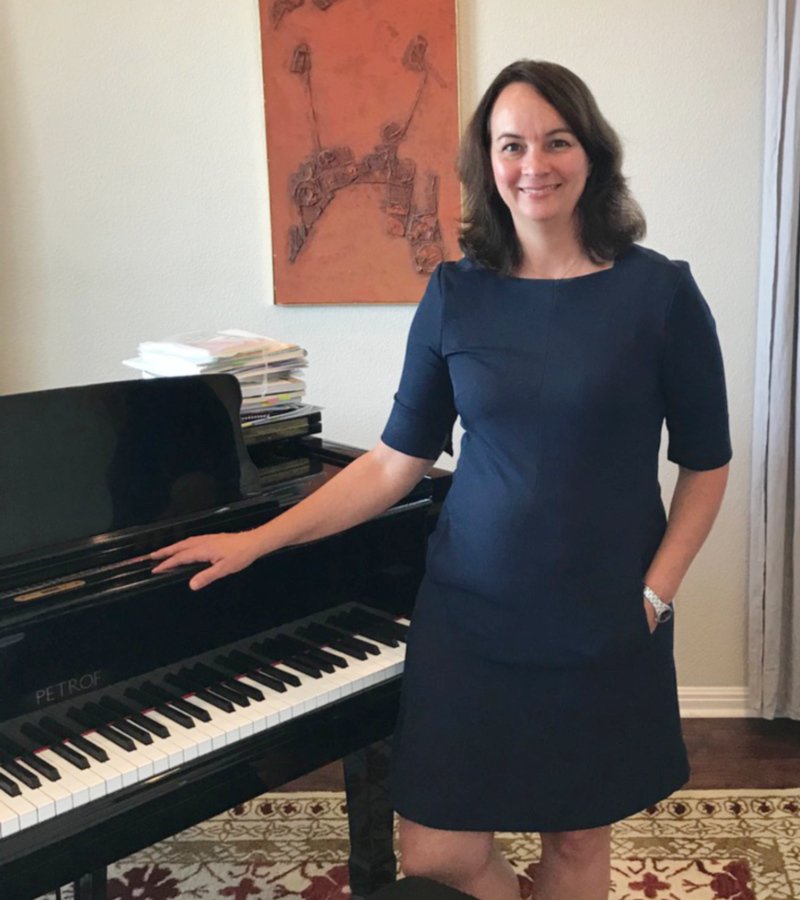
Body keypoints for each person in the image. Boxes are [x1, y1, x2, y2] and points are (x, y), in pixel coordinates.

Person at [152, 59, 731, 900]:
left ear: (591, 154)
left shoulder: (660, 294)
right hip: (470, 617)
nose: (534, 164)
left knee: (574, 841)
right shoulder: (455, 294)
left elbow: (707, 464)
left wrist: (657, 592)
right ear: (487, 164)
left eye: (556, 140)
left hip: (605, 618)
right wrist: (258, 539)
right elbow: (394, 462)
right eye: (511, 145)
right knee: (436, 853)